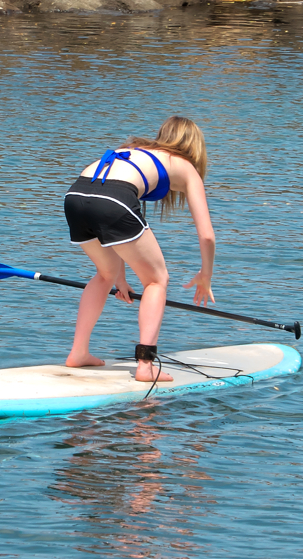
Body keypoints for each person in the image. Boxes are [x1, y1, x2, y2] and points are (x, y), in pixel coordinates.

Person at [63, 116, 215, 382]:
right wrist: (206, 275)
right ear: (195, 147)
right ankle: (145, 366)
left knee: (104, 274)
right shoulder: (186, 166)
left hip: (75, 196)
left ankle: (78, 353)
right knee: (157, 280)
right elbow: (207, 236)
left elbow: (110, 223)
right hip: (112, 199)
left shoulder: (135, 150)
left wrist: (119, 276)